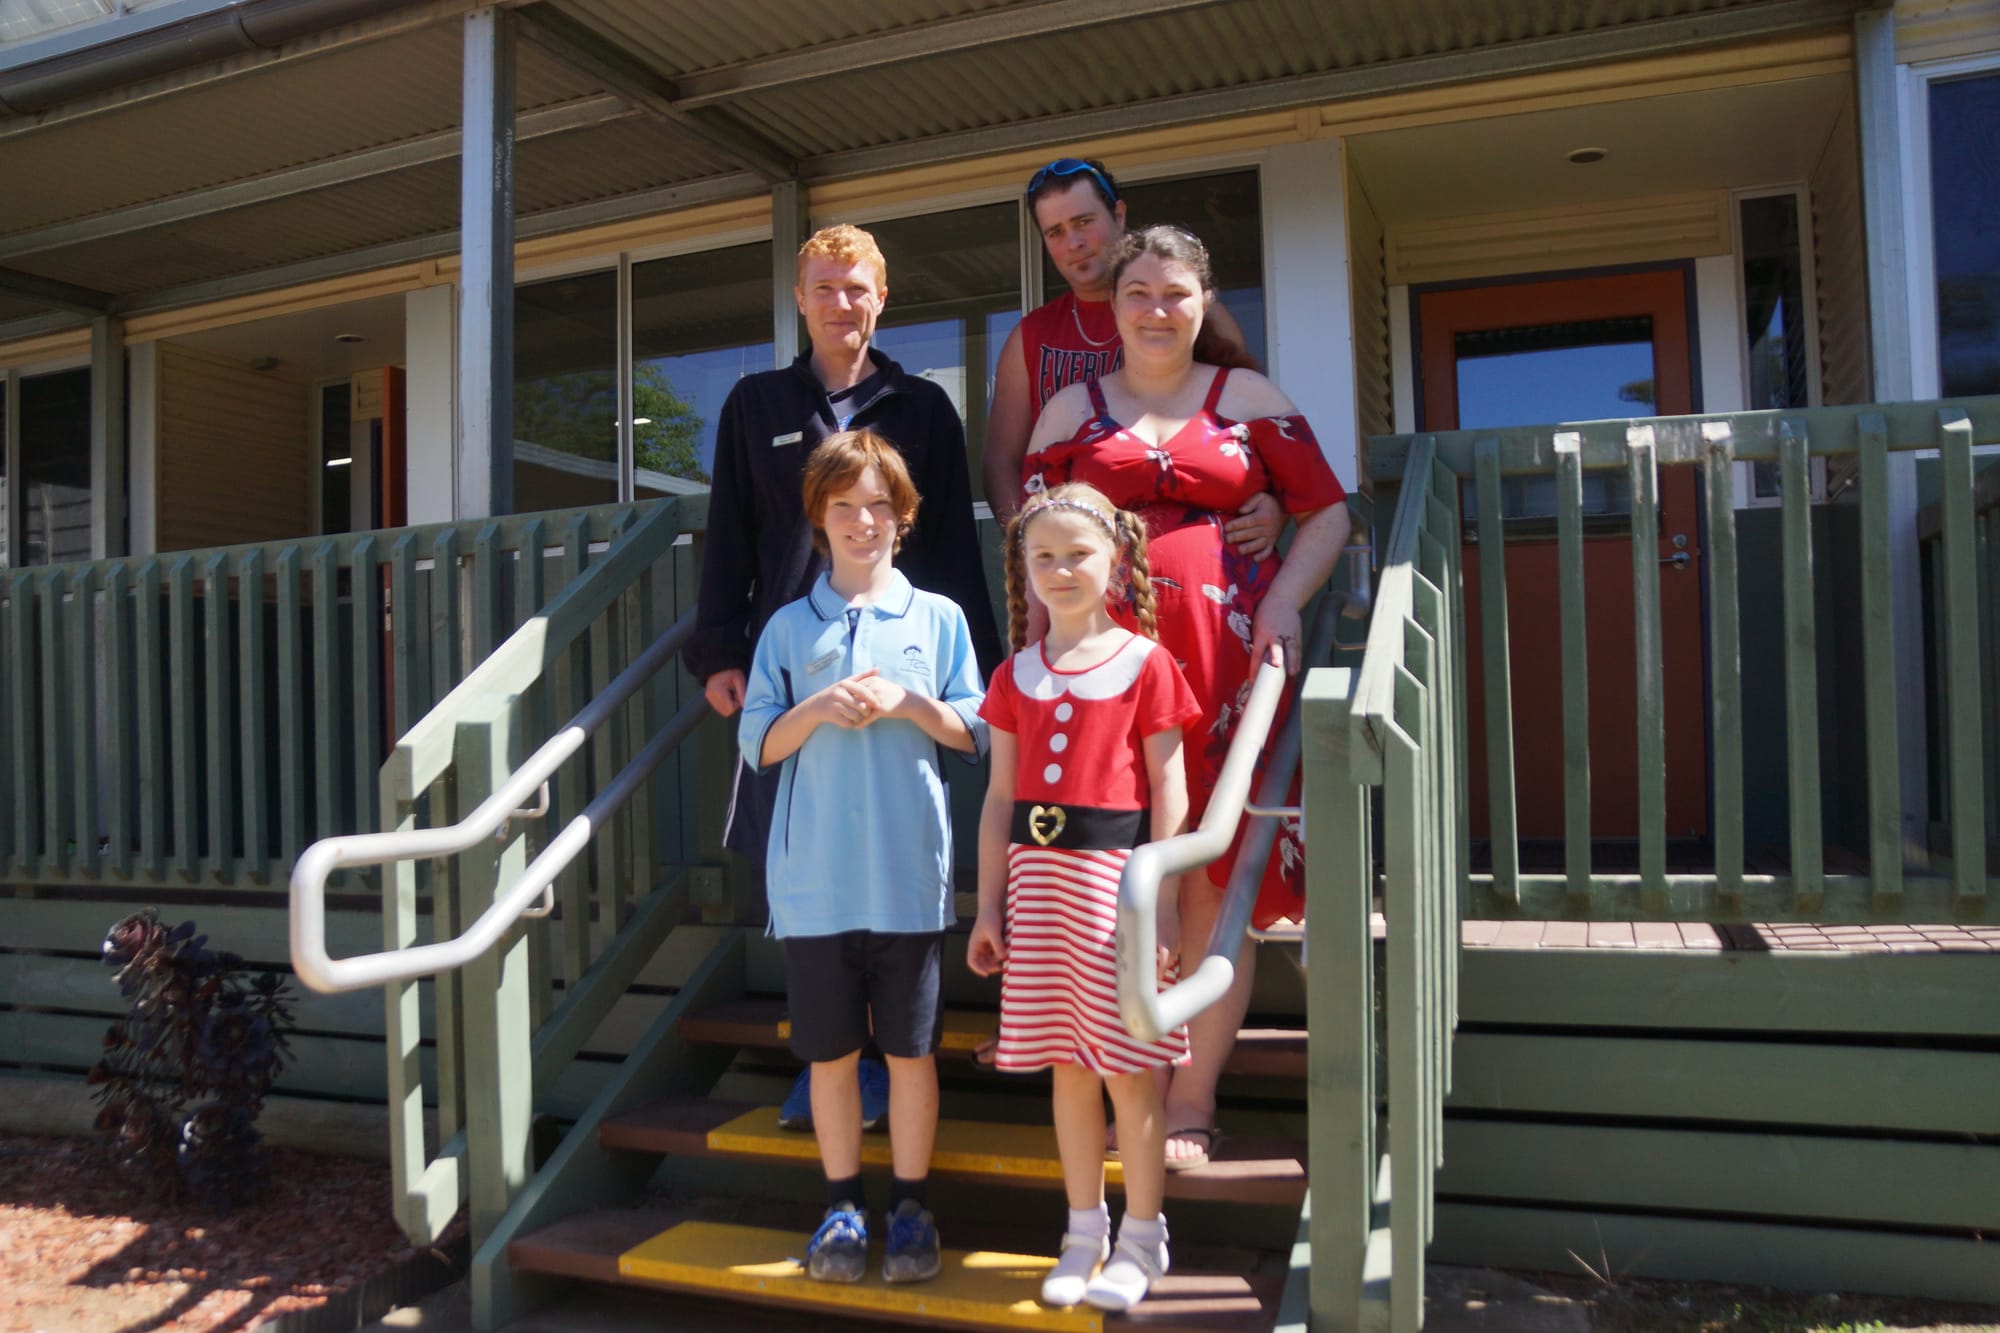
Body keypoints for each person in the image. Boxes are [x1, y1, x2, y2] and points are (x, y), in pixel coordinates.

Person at [1024, 224, 1351, 1170]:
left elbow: (1328, 507)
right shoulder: (1067, 415)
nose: (1157, 310)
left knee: (1212, 881)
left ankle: (1192, 1100)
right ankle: (1116, 1083)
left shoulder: (1245, 399)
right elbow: (1033, 539)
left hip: (1226, 668)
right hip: (1100, 673)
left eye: (1175, 293)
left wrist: (1287, 587)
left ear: (1204, 303)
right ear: (1112, 307)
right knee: (1103, 873)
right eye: (1138, 293)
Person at [688, 223, 1003, 1132]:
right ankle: (830, 1059)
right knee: (802, 863)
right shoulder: (755, 404)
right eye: (823, 288)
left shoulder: (922, 409)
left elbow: (947, 552)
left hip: (904, 679)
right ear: (800, 298)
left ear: (882, 296)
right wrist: (722, 653)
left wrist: (964, 676)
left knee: (894, 862)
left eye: (855, 288)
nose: (840, 304)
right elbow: (732, 535)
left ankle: (890, 1059)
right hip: (794, 669)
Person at [738, 430, 987, 1284]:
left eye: (879, 503)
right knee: (832, 1058)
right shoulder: (785, 626)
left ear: (904, 516)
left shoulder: (939, 619)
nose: (861, 520)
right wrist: (819, 707)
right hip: (815, 888)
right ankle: (841, 1206)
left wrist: (909, 702)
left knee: (913, 1054)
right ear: (819, 519)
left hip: (909, 885)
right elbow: (760, 743)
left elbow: (975, 731)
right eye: (843, 505)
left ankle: (912, 1208)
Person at [968, 482, 1200, 1312]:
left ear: (1117, 560)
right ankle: (1081, 1230)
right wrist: (989, 907)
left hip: (1118, 892)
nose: (1062, 569)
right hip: (1037, 889)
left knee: (1130, 1073)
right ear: (1023, 570)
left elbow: (1169, 787)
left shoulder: (1146, 664)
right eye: (1044, 557)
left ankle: (1144, 1235)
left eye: (1079, 553)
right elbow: (999, 799)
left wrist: (1165, 901)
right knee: (1066, 1068)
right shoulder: (1013, 674)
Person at [982, 157, 1282, 559]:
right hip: (1083, 575)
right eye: (1056, 232)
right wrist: (1031, 546)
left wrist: (1275, 503)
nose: (1074, 242)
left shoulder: (1195, 316)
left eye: (1084, 221)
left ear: (1119, 215)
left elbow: (1259, 433)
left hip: (1209, 565)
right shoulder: (1030, 337)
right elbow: (1001, 461)